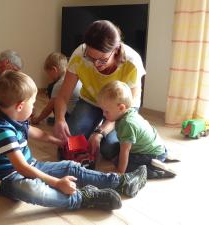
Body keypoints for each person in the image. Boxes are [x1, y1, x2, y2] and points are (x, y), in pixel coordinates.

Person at [0, 70, 147, 211]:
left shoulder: (17, 120)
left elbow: (38, 134)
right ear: (20, 106)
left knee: (70, 166)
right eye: (33, 103)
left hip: (31, 166)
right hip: (9, 179)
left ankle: (120, 181)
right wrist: (56, 183)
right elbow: (22, 168)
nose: (34, 108)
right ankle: (83, 198)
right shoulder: (2, 130)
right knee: (34, 190)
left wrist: (57, 141)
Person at [53, 20, 146, 161]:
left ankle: (140, 133)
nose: (96, 64)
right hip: (91, 101)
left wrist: (99, 132)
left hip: (121, 110)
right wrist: (59, 119)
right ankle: (93, 130)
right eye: (91, 58)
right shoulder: (80, 55)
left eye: (102, 59)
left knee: (109, 149)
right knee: (70, 141)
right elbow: (63, 95)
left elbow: (126, 109)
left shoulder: (132, 62)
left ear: (116, 50)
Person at [97, 80, 176, 179]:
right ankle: (163, 156)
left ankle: (157, 169)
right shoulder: (129, 112)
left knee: (122, 163)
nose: (103, 114)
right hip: (157, 148)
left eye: (106, 111)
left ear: (121, 108)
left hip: (150, 154)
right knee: (114, 154)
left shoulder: (127, 124)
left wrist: (120, 172)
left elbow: (125, 151)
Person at [31, 52, 81, 125]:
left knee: (52, 91)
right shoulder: (74, 77)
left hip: (71, 118)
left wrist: (37, 120)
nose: (48, 77)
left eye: (48, 73)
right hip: (78, 115)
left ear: (54, 70)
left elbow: (49, 108)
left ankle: (59, 121)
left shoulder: (59, 84)